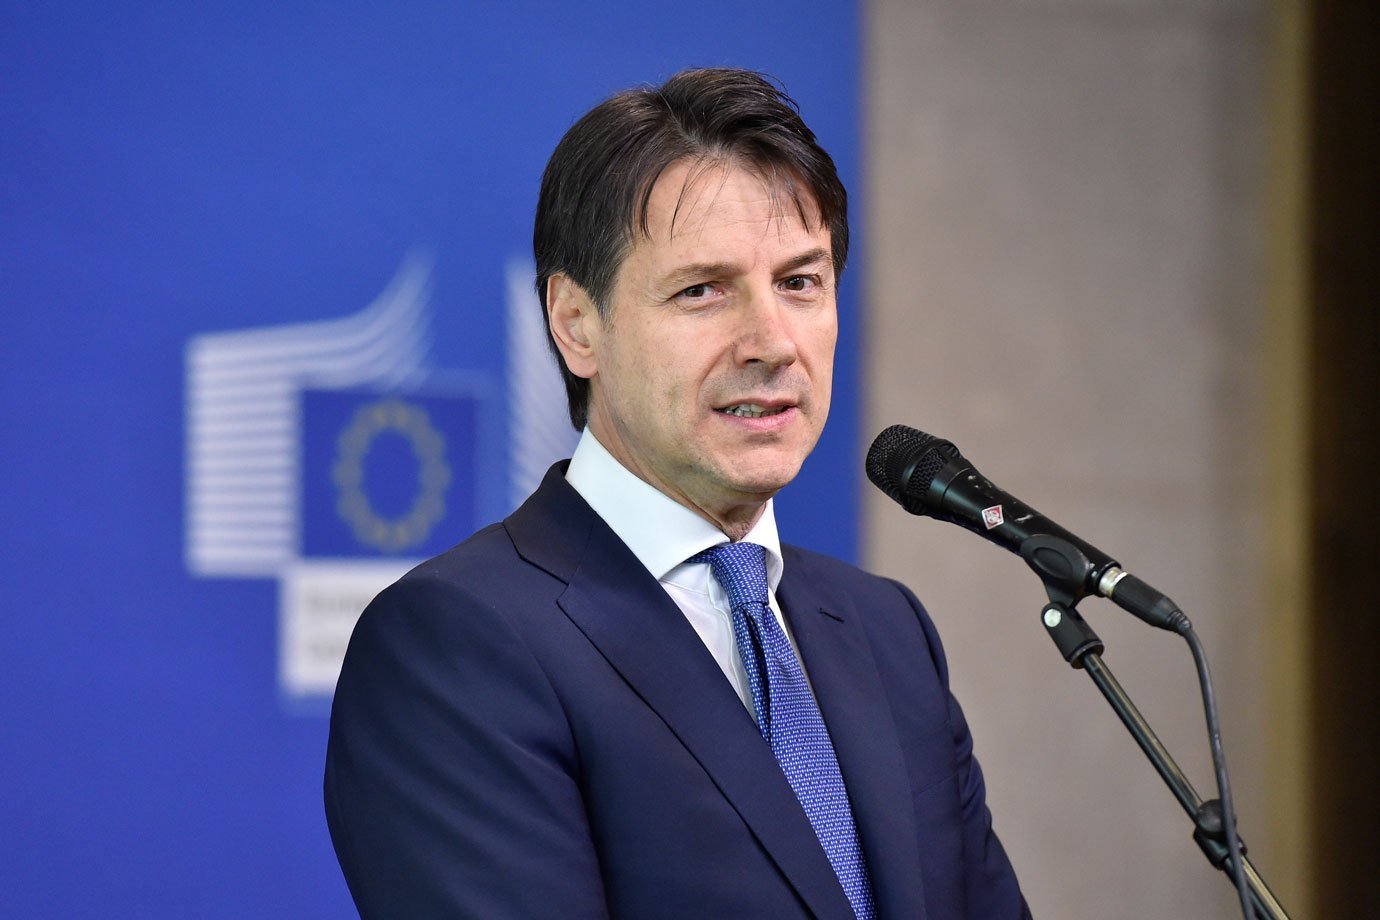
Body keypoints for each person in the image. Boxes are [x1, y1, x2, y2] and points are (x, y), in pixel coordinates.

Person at [324, 67, 1028, 919]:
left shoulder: (888, 632)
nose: (772, 342)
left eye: (800, 283)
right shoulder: (458, 642)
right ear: (576, 325)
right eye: (702, 290)